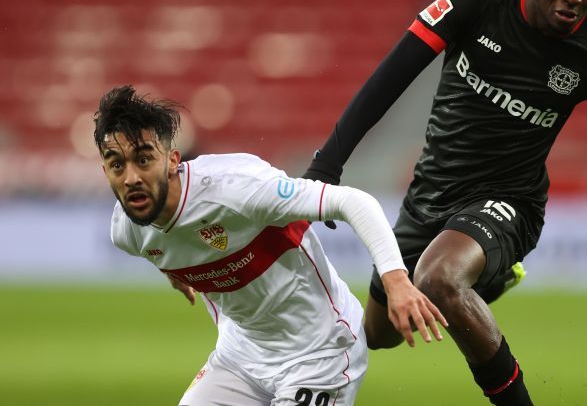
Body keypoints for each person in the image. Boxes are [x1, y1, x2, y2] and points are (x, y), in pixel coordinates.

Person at [302, 0, 587, 406]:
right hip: (432, 192)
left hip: (510, 199)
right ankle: (489, 280)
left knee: (440, 278)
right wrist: (328, 161)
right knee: (378, 332)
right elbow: (390, 77)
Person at [93, 85, 447, 406]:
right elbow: (163, 245)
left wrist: (397, 281)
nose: (132, 177)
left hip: (319, 354)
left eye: (143, 159)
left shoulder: (238, 188)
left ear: (172, 161)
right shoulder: (127, 231)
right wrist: (173, 271)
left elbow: (355, 202)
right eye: (116, 164)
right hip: (239, 357)